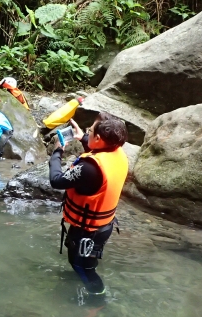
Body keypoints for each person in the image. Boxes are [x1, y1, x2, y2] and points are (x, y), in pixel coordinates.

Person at [49, 113, 128, 297]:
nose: (87, 132)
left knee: (82, 266)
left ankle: (97, 300)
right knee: (84, 261)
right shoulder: (118, 152)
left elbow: (56, 180)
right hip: (102, 226)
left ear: (99, 138)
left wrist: (57, 152)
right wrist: (83, 138)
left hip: (88, 231)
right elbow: (100, 152)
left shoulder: (89, 169)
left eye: (90, 131)